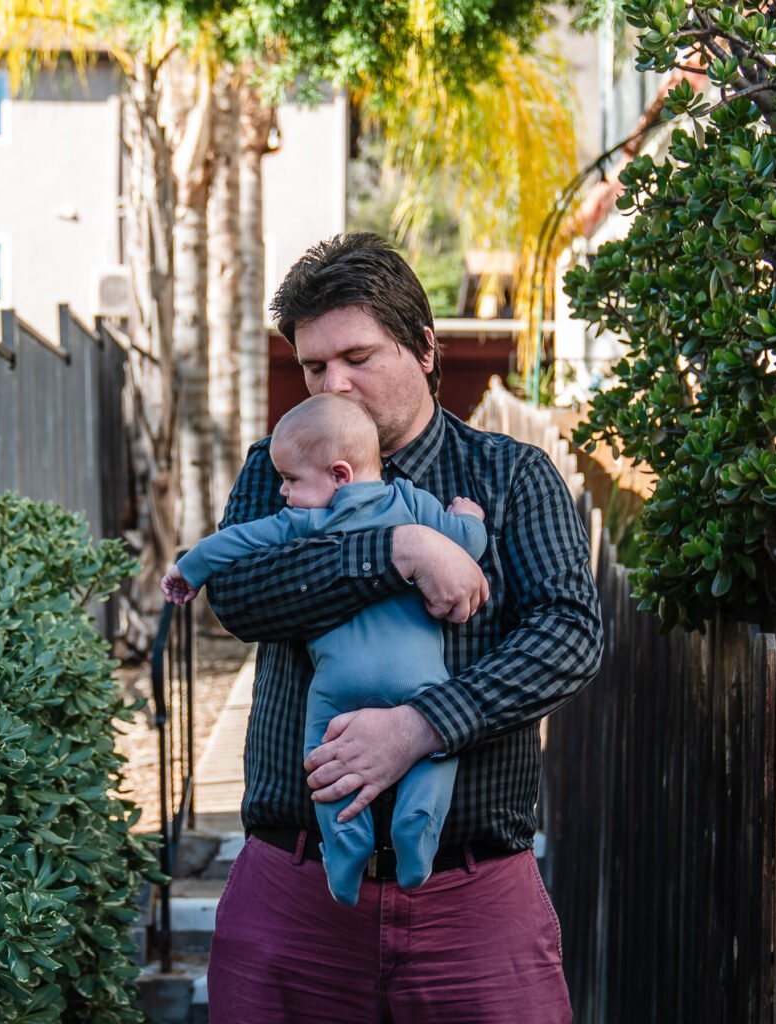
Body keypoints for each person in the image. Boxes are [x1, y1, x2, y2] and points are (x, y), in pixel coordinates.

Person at [202, 233, 603, 1024]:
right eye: (315, 366)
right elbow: (240, 596)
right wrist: (396, 551)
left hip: (474, 898)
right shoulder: (276, 467)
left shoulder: (509, 477)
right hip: (297, 890)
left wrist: (421, 727)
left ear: (423, 347)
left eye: (357, 357)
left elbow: (567, 636)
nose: (334, 385)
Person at [160, 392, 487, 905]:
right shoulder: (415, 504)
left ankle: (344, 846)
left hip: (337, 684)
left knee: (322, 759)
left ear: (339, 476)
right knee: (437, 751)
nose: (283, 492)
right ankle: (417, 828)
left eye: (291, 480)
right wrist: (470, 519)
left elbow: (237, 542)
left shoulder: (308, 522)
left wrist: (188, 570)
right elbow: (466, 545)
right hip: (419, 679)